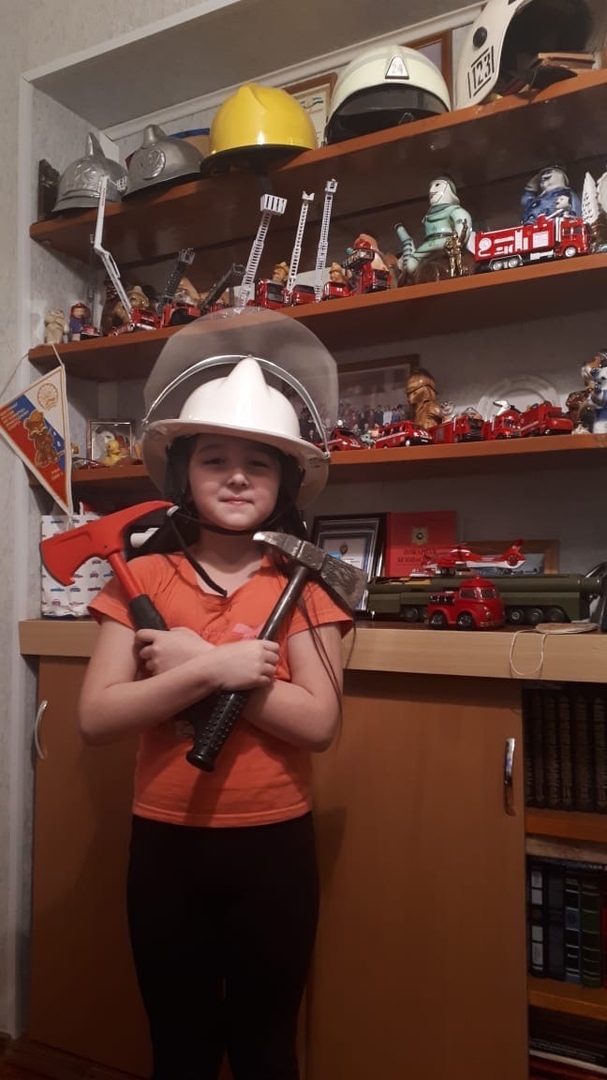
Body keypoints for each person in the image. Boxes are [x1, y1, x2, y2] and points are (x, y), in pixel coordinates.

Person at [78, 344, 353, 1080]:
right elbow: (98, 717)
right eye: (215, 460)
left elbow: (318, 725)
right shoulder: (141, 578)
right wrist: (210, 668)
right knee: (180, 1044)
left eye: (258, 463)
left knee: (266, 1048)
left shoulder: (305, 585)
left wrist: (209, 662)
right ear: (183, 474)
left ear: (286, 480)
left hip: (274, 847)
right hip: (165, 845)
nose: (236, 476)